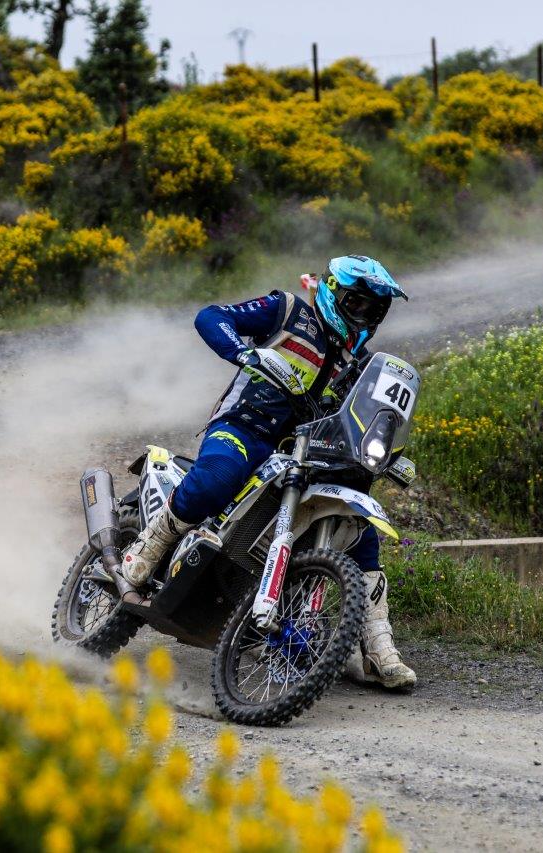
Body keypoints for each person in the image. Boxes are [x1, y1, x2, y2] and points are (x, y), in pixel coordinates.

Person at [120, 254, 417, 690]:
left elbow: (366, 422)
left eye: (375, 310)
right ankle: (151, 544)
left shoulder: (362, 366)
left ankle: (374, 645)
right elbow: (211, 317)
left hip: (304, 456)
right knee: (220, 477)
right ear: (334, 292)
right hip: (245, 428)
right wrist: (244, 352)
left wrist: (385, 451)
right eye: (358, 304)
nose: (365, 316)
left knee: (360, 534)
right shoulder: (287, 311)